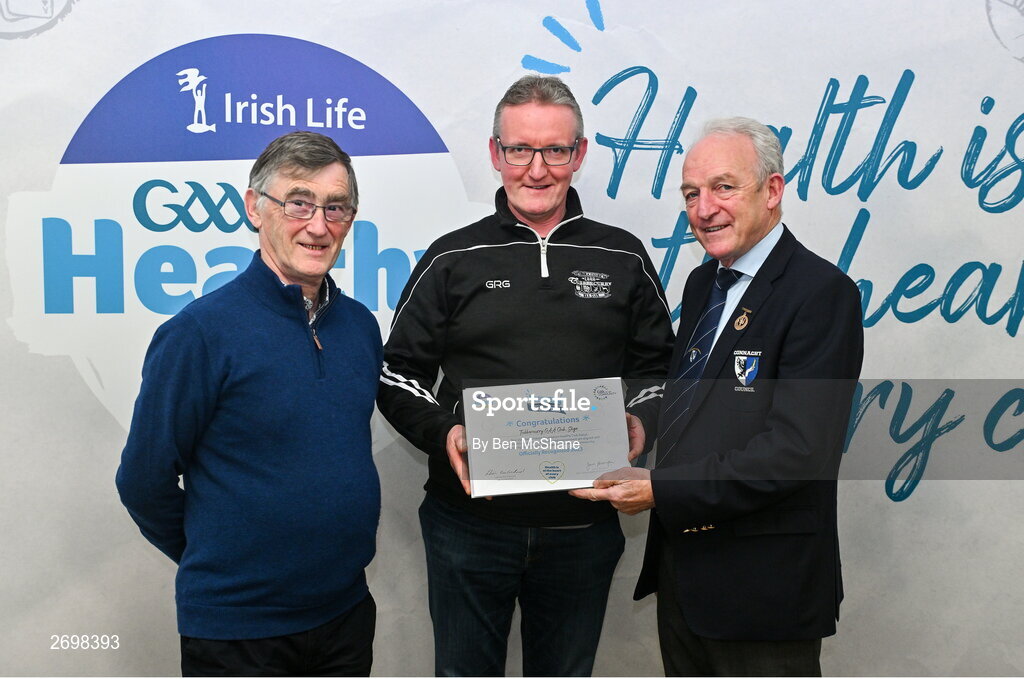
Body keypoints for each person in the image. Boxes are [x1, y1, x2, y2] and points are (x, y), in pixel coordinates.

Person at [377, 75, 673, 676]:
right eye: (519, 150)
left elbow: (659, 369)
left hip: (583, 529)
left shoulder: (624, 256)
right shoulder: (449, 259)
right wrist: (447, 434)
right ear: (495, 154)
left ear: (579, 155)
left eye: (555, 151)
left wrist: (641, 422)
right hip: (468, 529)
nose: (536, 170)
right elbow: (395, 374)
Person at [574, 117, 864, 676]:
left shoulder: (821, 295)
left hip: (763, 593)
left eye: (724, 188)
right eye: (691, 193)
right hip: (686, 578)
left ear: (773, 190)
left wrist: (661, 489)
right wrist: (637, 427)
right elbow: (698, 412)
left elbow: (799, 452)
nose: (704, 209)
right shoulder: (702, 283)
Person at [116, 131, 382, 677]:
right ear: (254, 208)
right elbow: (143, 480)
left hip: (346, 615)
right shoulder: (199, 333)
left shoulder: (359, 327)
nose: (318, 224)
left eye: (336, 208)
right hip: (239, 631)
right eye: (299, 202)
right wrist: (221, 556)